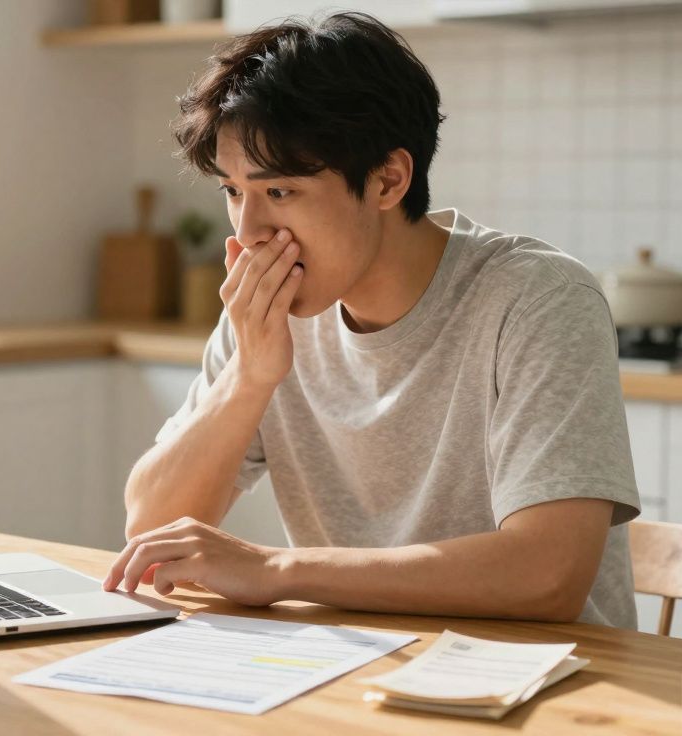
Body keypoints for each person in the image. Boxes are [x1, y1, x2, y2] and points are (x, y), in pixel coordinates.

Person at [102, 12, 641, 627]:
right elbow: (149, 528)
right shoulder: (269, 308)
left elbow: (547, 575)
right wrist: (249, 378)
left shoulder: (537, 298)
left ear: (388, 179)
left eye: (279, 193)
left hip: (540, 686)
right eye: (232, 191)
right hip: (352, 669)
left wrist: (277, 571)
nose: (248, 232)